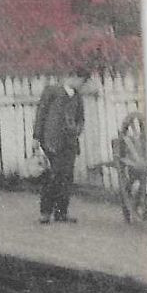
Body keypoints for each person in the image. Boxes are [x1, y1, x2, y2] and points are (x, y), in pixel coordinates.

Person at [33, 67, 89, 223]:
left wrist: (76, 129)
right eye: (81, 81)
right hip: (52, 141)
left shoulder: (77, 97)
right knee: (53, 176)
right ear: (73, 77)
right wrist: (36, 137)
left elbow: (81, 119)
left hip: (69, 143)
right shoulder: (52, 91)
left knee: (66, 177)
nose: (81, 85)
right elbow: (41, 115)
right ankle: (45, 212)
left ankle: (61, 213)